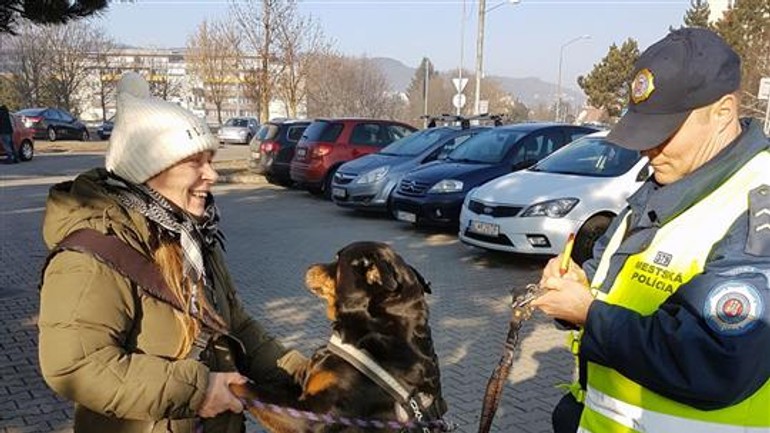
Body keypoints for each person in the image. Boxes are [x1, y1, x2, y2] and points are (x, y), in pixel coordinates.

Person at [38, 72, 306, 433]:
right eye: (195, 162)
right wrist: (197, 390)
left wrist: (303, 373)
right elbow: (74, 365)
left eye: (210, 159)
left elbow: (233, 325)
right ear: (149, 169)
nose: (212, 174)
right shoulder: (91, 253)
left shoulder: (192, 237)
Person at [532, 27, 770, 433]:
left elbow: (717, 360)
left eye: (664, 133)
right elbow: (617, 286)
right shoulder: (659, 187)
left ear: (723, 113)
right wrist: (576, 287)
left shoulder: (755, 206)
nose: (647, 149)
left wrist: (588, 313)